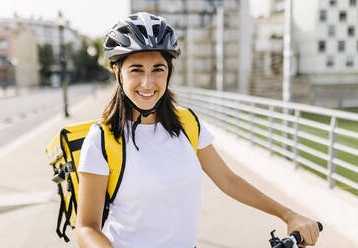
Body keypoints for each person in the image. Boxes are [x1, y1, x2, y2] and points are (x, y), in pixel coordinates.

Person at [75, 12, 320, 248]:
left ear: (169, 71)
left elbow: (229, 180)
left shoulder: (187, 123)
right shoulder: (102, 139)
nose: (148, 83)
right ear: (118, 72)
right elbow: (87, 227)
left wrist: (288, 215)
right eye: (136, 70)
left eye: (158, 69)